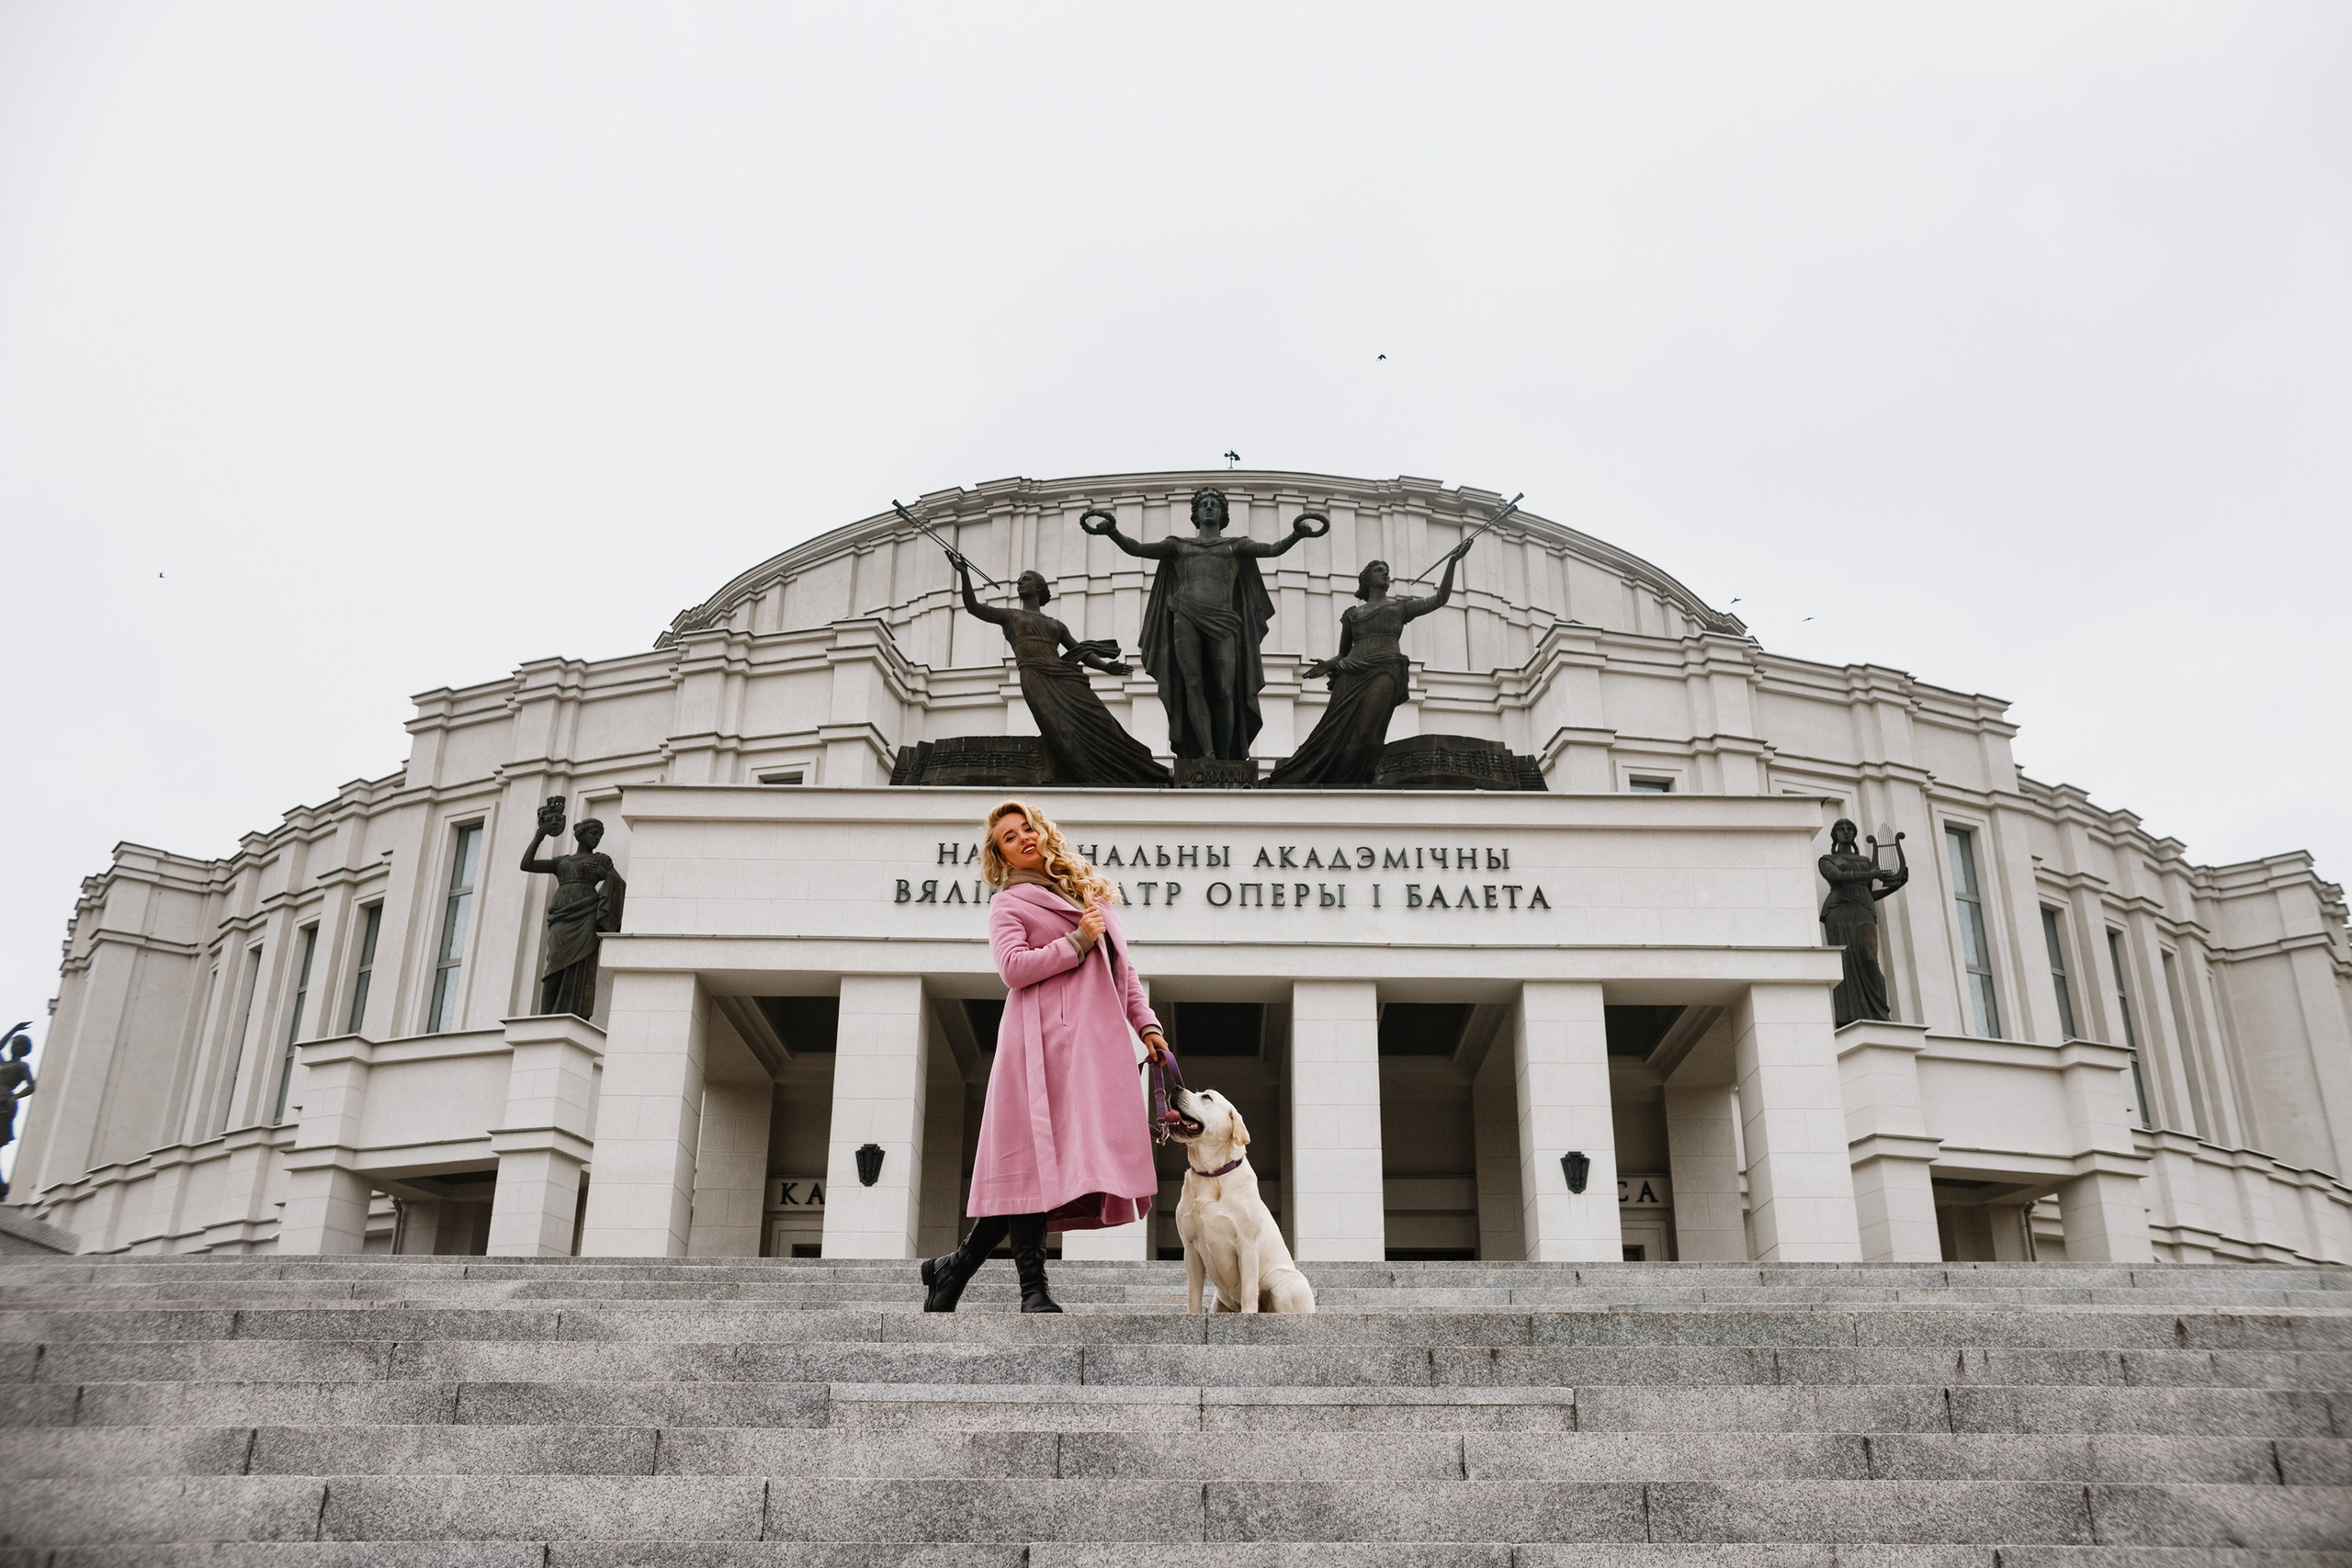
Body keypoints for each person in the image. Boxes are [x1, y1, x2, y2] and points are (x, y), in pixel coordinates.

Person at [922, 801, 1170, 1313]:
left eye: (1027, 827)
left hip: (1091, 1052)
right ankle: (1033, 1291)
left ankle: (955, 1270)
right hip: (1038, 1048)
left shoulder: (1091, 895)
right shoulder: (1008, 904)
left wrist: (1146, 1025)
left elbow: (1124, 974)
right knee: (1029, 1167)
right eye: (1010, 837)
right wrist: (1077, 942)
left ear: (1043, 831)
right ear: (1001, 855)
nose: (1023, 838)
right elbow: (1013, 969)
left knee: (1039, 1169)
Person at [1080, 489, 1326, 761]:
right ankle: (1207, 753)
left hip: (1224, 621)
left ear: (1223, 514)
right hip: (1185, 615)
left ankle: (1227, 755)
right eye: (1203, 505)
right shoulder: (1179, 546)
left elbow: (1271, 550)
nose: (1209, 508)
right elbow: (1137, 549)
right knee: (1193, 684)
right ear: (1195, 514)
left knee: (1225, 688)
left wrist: (1297, 535)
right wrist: (1112, 532)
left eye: (1215, 505)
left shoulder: (1236, 545)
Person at [1264, 543, 1471, 788]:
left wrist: (1452, 563)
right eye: (1379, 570)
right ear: (1367, 580)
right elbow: (1343, 653)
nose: (1386, 573)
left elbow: (1440, 599)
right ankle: (1331, 781)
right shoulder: (1353, 614)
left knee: (1367, 730)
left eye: (1387, 570)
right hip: (1351, 673)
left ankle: (1358, 778)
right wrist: (1327, 665)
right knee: (1332, 731)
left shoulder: (1400, 607)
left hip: (1386, 670)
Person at [953, 564, 1170, 786]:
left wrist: (1106, 667)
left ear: (1039, 587)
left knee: (1101, 719)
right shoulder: (1010, 616)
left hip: (1063, 675)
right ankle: (1091, 774)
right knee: (1061, 730)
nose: (1020, 582)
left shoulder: (1055, 624)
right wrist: (965, 575)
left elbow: (1080, 652)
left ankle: (1136, 770)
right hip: (1034, 675)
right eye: (1019, 579)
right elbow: (974, 607)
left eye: (1026, 579)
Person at [520, 804, 626, 1021]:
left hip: (586, 913)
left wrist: (606, 874)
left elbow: (620, 885)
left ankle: (575, 1015)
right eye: (594, 834)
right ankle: (546, 1016)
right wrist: (539, 837)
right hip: (562, 914)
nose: (597, 839)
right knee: (554, 965)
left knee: (581, 963)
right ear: (581, 835)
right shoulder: (562, 861)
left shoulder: (601, 860)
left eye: (600, 836)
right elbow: (526, 864)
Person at [1819, 818, 1909, 1025]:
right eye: (1841, 829)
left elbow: (1866, 893)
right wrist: (1870, 873)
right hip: (1838, 911)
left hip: (1863, 909)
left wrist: (1894, 887)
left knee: (1869, 958)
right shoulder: (1827, 859)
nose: (1846, 832)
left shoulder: (1866, 861)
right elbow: (1837, 877)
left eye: (1850, 828)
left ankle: (1879, 1013)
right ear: (1834, 834)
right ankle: (1847, 1017)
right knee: (1843, 962)